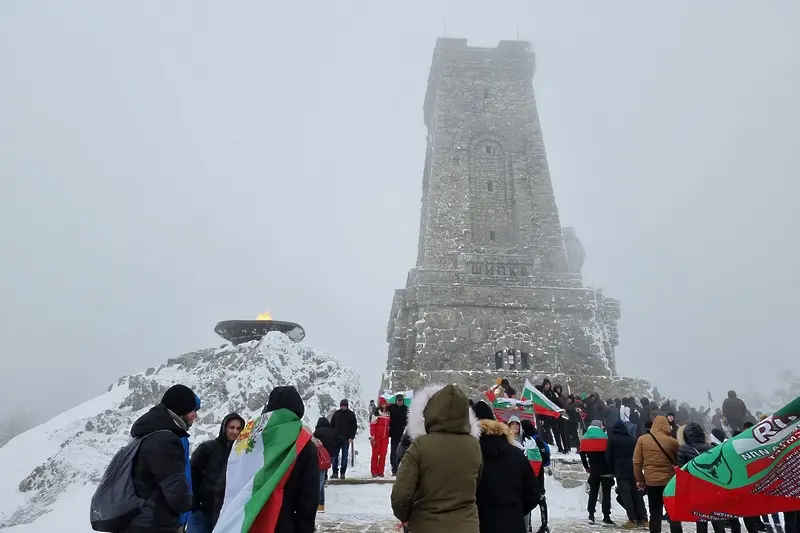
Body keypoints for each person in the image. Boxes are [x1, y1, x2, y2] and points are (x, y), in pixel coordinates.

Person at [391, 384, 482, 533]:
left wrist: (404, 516)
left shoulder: (420, 445)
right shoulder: (474, 446)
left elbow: (401, 494)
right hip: (466, 525)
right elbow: (476, 483)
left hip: (426, 524)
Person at [122, 384, 198, 533]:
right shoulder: (165, 440)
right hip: (154, 524)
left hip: (136, 522)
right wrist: (191, 503)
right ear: (181, 409)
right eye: (193, 410)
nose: (195, 415)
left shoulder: (146, 434)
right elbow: (176, 494)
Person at [472, 401, 537, 533]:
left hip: (481, 524)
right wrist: (514, 510)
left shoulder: (471, 456)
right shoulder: (517, 454)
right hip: (514, 524)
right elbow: (533, 493)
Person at [188, 412, 244, 532]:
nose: (235, 431)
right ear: (224, 427)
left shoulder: (241, 454)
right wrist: (194, 503)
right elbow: (191, 475)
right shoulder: (207, 448)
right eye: (231, 427)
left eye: (238, 428)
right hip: (201, 510)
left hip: (224, 513)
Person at [633, 415, 682, 533]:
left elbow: (637, 461)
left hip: (652, 481)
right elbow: (678, 462)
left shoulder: (643, 440)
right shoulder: (673, 442)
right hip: (670, 483)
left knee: (655, 513)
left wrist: (639, 479)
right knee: (672, 513)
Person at [676, 423, 726, 533]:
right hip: (713, 488)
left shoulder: (683, 449)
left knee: (701, 521)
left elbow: (682, 471)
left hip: (697, 489)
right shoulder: (712, 448)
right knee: (717, 519)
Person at [606, 420, 648, 529]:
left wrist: (613, 470)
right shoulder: (633, 439)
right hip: (633, 469)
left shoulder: (613, 439)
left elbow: (609, 456)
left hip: (620, 470)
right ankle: (644, 519)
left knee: (626, 496)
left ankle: (632, 520)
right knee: (637, 495)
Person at [580, 421, 615, 526]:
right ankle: (606, 516)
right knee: (606, 493)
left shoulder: (585, 438)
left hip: (594, 470)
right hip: (606, 470)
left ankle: (591, 515)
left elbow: (582, 454)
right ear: (600, 427)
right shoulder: (605, 437)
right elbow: (610, 454)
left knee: (593, 492)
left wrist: (587, 467)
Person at [521, 419, 550, 533]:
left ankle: (529, 526)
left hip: (529, 473)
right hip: (539, 473)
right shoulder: (538, 438)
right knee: (541, 498)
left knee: (529, 498)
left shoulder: (530, 440)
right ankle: (544, 524)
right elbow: (546, 459)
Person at [313, 417, 342, 513]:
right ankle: (321, 504)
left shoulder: (317, 432)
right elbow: (340, 442)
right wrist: (334, 450)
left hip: (319, 457)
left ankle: (317, 503)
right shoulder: (333, 431)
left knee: (319, 480)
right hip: (330, 456)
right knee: (322, 476)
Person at [330, 399, 357, 479]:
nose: (343, 407)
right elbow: (332, 425)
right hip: (336, 439)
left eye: (344, 406)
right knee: (335, 456)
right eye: (342, 405)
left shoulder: (351, 414)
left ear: (347, 406)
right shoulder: (336, 413)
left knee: (344, 456)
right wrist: (332, 435)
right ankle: (335, 472)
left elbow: (354, 427)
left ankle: (343, 472)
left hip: (346, 439)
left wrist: (351, 437)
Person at [388, 394, 409, 476]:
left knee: (402, 453)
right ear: (396, 401)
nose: (400, 402)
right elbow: (382, 410)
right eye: (398, 400)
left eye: (401, 400)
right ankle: (394, 469)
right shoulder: (391, 408)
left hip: (404, 436)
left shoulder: (406, 409)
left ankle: (402, 468)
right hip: (394, 434)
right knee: (394, 452)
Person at [370, 397, 390, 477]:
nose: (384, 406)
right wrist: (373, 435)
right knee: (375, 454)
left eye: (385, 404)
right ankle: (374, 471)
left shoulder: (388, 413)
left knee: (383, 454)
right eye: (382, 404)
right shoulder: (376, 413)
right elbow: (372, 425)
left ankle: (381, 471)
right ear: (380, 405)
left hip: (385, 437)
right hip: (377, 437)